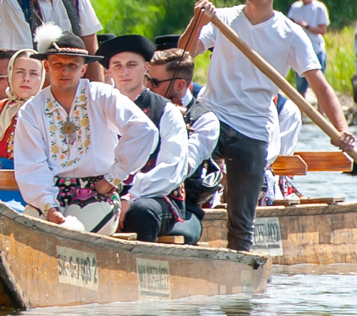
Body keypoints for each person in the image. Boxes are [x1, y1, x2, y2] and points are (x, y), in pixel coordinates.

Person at [190, 0, 355, 252]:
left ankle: (240, 267)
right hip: (213, 115)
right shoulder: (223, 19)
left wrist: (340, 129)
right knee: (188, 182)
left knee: (241, 222)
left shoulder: (290, 34)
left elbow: (320, 86)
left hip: (252, 128)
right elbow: (185, 54)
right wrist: (197, 22)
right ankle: (182, 235)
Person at [12, 32, 156, 231]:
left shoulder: (101, 95)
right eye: (58, 64)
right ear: (47, 66)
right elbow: (31, 164)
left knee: (71, 233)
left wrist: (112, 178)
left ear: (83, 69)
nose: (65, 72)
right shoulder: (31, 110)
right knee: (23, 233)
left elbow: (144, 129)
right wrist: (49, 206)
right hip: (51, 195)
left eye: (73, 65)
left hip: (97, 194)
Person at [96, 35, 193, 244]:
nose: (124, 72)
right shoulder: (98, 108)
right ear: (109, 71)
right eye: (117, 65)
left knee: (141, 211)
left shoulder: (165, 111)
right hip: (104, 191)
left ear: (145, 68)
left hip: (156, 196)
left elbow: (171, 168)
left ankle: (142, 263)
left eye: (132, 65)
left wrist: (131, 196)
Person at [148, 48, 220, 226]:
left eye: (155, 83)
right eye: (146, 80)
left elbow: (184, 167)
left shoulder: (204, 119)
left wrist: (173, 124)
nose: (148, 88)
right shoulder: (143, 108)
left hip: (183, 208)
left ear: (180, 85)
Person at [0, 48, 44, 204]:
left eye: (33, 73)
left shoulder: (48, 113)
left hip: (32, 191)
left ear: (42, 77)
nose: (26, 79)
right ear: (10, 74)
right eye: (20, 72)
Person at [286, 0, 329, 91]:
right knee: (300, 87)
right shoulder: (295, 8)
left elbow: (323, 30)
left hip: (316, 49)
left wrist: (306, 26)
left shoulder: (319, 8)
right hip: (300, 51)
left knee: (320, 87)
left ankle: (320, 104)